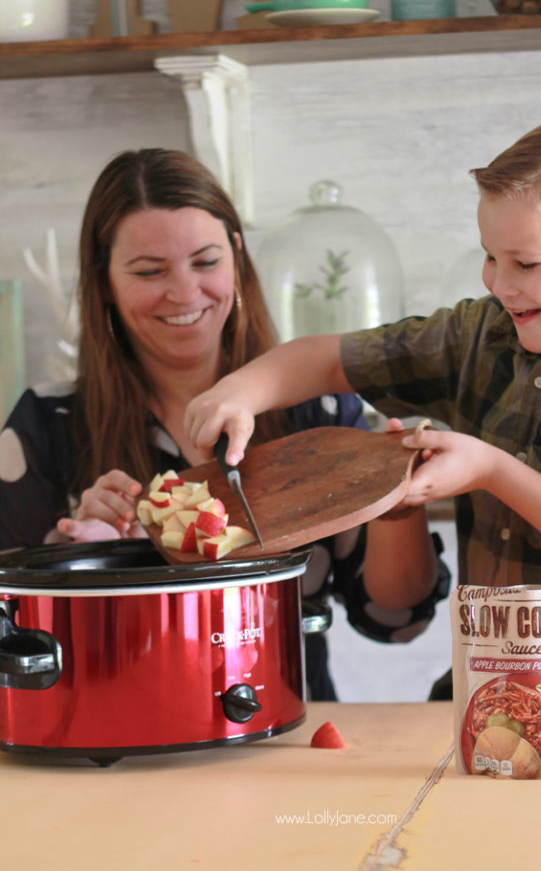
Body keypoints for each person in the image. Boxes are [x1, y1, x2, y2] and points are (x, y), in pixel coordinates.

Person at [183, 116, 541, 699]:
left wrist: (491, 470)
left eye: (527, 264)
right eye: (491, 257)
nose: (500, 284)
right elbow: (325, 359)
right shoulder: (476, 335)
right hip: (487, 691)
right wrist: (237, 392)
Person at [0, 148, 449, 701]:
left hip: (287, 733)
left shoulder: (318, 412)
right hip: (113, 746)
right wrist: (82, 554)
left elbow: (395, 618)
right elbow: (16, 643)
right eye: (149, 271)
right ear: (104, 280)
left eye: (206, 262)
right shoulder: (44, 426)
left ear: (237, 256)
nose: (185, 292)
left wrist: (398, 497)